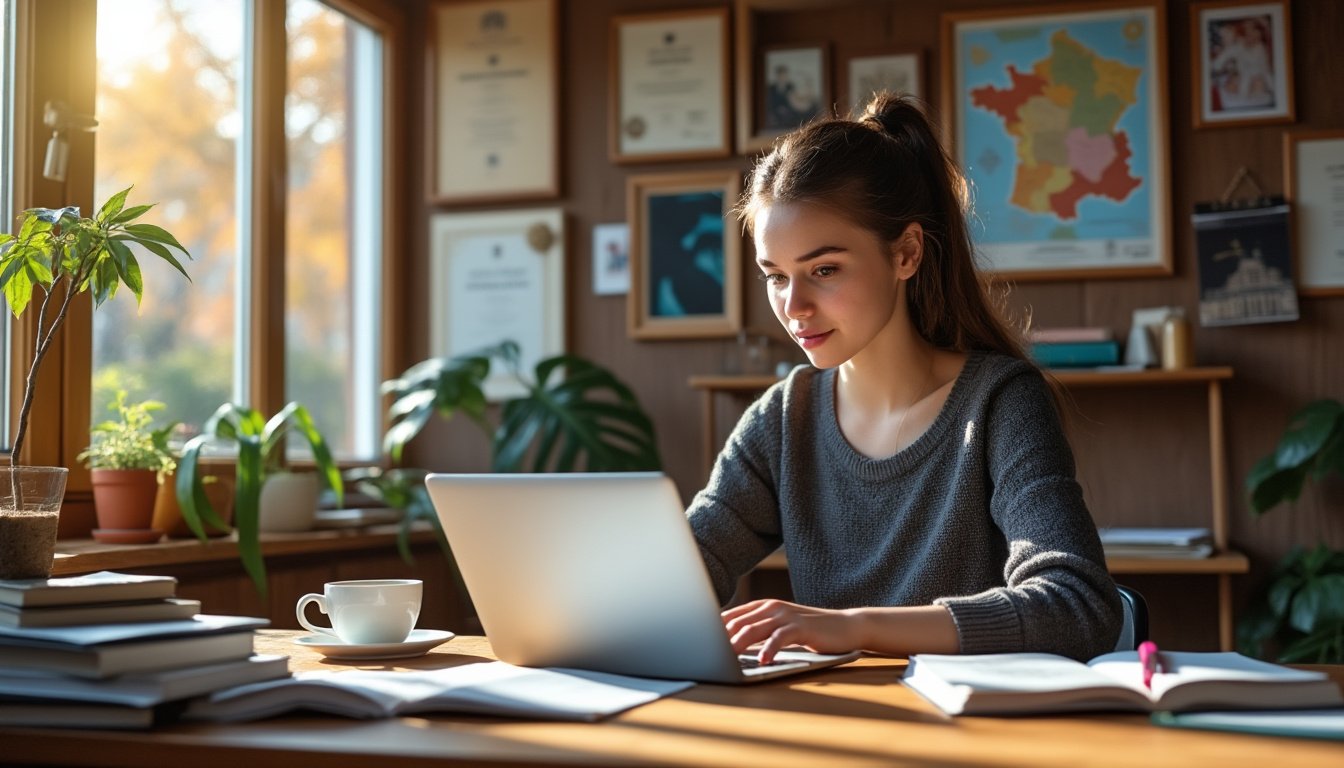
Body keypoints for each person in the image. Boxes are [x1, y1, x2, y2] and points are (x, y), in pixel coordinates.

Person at [686, 92, 1121, 665]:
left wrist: (855, 628)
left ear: (907, 253)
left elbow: (1078, 607)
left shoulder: (998, 403)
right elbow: (682, 576)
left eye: (824, 270)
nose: (794, 306)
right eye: (775, 276)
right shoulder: (781, 418)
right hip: (839, 732)